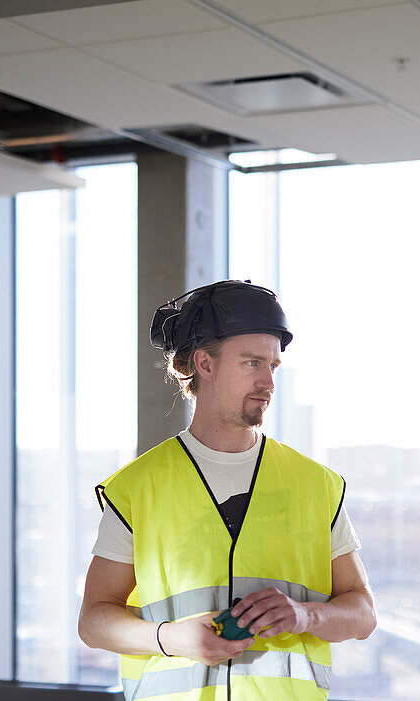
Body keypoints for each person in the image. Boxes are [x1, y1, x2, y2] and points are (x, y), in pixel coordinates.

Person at [78, 280, 376, 701]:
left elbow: (362, 614)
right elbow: (93, 621)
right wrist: (171, 638)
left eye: (273, 365)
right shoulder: (137, 488)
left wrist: (304, 615)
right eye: (252, 363)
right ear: (205, 363)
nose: (267, 382)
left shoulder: (315, 485)